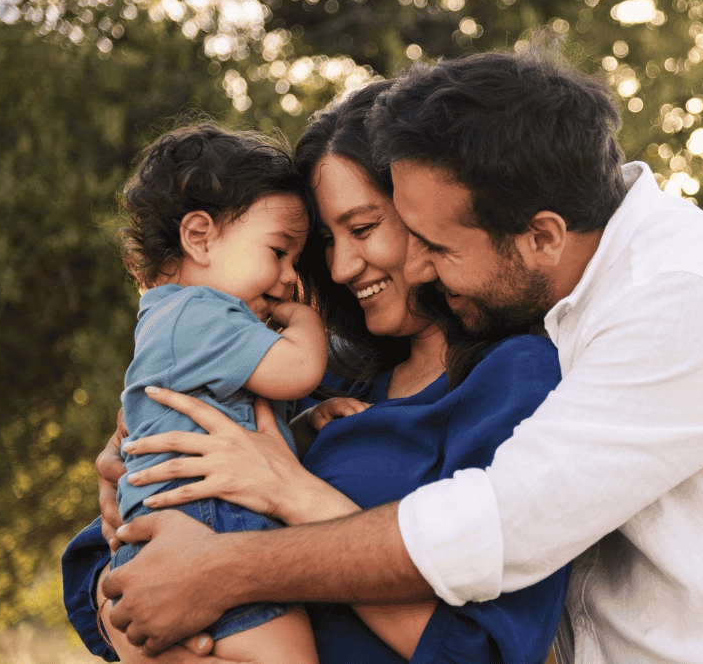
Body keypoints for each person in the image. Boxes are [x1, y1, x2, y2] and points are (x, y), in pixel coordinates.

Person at [95, 48, 703, 663]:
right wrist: (134, 479)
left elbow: (498, 528)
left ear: (542, 236)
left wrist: (229, 566)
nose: (417, 269)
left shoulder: (687, 293)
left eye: (431, 245)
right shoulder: (534, 317)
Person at [62, 83, 569, 664]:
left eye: (363, 228)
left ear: (425, 214)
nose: (341, 266)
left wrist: (286, 494)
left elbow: (482, 653)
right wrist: (137, 565)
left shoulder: (516, 378)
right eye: (325, 241)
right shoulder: (329, 377)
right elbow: (94, 571)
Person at [106, 122, 325, 663]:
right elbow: (299, 369)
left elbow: (244, 433)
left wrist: (308, 422)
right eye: (279, 251)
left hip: (174, 529)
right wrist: (305, 322)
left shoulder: (175, 321)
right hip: (206, 522)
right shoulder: (200, 313)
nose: (289, 277)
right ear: (199, 237)